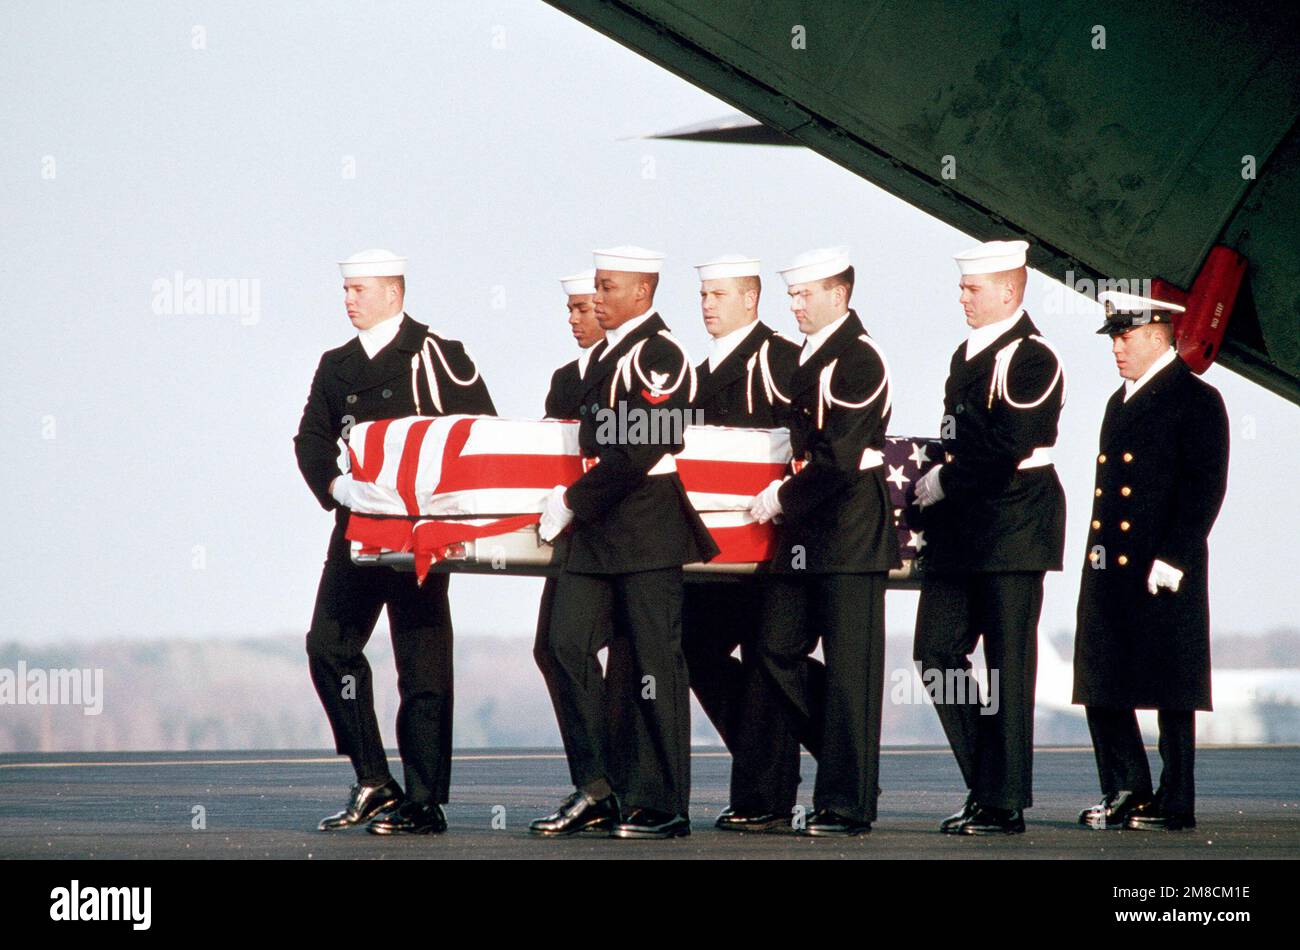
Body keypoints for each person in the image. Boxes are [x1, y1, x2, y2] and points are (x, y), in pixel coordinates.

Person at [294, 248, 495, 835]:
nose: (349, 299)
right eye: (346, 289)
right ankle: (375, 780)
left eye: (360, 289)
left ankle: (425, 799)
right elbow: (309, 439)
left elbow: (479, 435)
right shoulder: (336, 364)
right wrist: (337, 488)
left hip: (420, 534)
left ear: (393, 293)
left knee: (422, 666)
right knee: (328, 647)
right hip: (358, 531)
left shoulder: (438, 356)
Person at [530, 246, 718, 839]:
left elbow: (642, 448)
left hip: (643, 527)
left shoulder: (661, 355)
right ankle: (599, 788)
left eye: (608, 287)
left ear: (641, 292)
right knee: (561, 645)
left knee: (657, 666)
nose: (598, 297)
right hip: (598, 532)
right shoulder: (606, 356)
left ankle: (664, 803)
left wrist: (570, 502)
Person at [729, 246, 899, 836]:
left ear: (839, 294)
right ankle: (844, 761)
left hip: (850, 527)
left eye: (804, 294)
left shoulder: (858, 358)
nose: (795, 305)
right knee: (774, 649)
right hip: (808, 530)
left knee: (852, 669)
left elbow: (840, 457)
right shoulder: (814, 356)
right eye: (792, 295)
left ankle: (848, 804)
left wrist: (781, 497)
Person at [912, 239, 1066, 835]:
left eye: (973, 289)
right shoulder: (966, 353)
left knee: (1007, 666)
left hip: (1014, 523)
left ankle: (1003, 803)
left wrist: (945, 480)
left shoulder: (1033, 357)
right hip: (964, 529)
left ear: (1009, 290)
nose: (963, 297)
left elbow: (1009, 444)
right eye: (962, 287)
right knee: (935, 653)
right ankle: (990, 783)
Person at [1074, 291, 1229, 831]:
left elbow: (1205, 486)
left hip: (1161, 565)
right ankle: (1126, 788)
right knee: (1101, 677)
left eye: (1126, 336)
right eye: (1114, 337)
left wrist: (1176, 555)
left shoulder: (1196, 399)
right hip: (1111, 565)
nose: (1117, 347)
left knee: (1170, 684)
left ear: (1158, 334)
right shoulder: (1120, 400)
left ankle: (1175, 800)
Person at [686, 254, 811, 832]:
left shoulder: (779, 359)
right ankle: (797, 758)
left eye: (718, 294)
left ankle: (768, 792)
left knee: (767, 661)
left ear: (750, 300)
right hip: (714, 553)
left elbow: (802, 444)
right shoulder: (696, 369)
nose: (707, 304)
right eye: (704, 294)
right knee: (695, 650)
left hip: (770, 544)